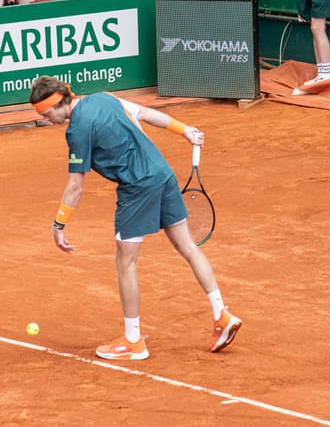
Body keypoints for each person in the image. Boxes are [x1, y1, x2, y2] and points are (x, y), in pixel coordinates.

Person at [29, 76, 242, 359]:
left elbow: (76, 186)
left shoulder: (77, 130)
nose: (47, 120)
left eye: (46, 115)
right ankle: (222, 314)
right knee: (188, 247)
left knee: (124, 261)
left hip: (137, 186)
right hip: (162, 173)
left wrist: (59, 224)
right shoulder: (103, 97)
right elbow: (146, 114)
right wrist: (184, 130)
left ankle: (133, 341)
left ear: (57, 105)